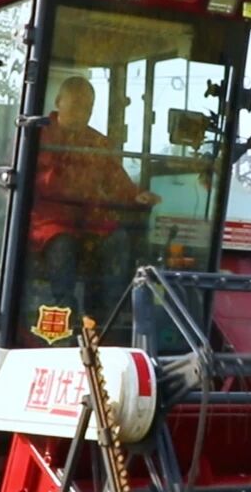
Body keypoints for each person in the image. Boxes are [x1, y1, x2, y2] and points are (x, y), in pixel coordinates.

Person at [27, 76, 159, 337]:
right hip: (49, 217)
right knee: (62, 245)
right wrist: (75, 185)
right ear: (58, 102)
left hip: (89, 219)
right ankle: (66, 315)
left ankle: (110, 313)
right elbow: (40, 183)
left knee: (118, 239)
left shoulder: (97, 143)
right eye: (76, 106)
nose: (82, 113)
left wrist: (137, 195)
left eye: (88, 108)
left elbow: (116, 180)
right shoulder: (37, 135)